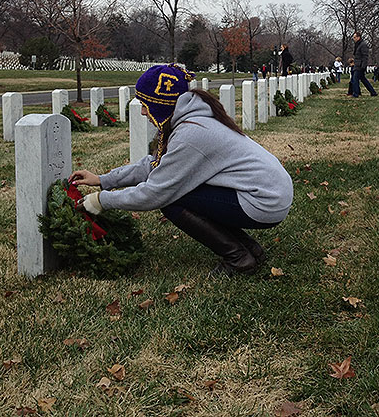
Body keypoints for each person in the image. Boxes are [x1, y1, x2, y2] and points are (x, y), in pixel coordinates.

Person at [69, 64, 294, 275]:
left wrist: (101, 201)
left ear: (159, 104)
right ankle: (249, 249)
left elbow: (155, 193)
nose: (143, 113)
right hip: (267, 192)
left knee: (172, 199)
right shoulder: (191, 121)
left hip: (264, 201)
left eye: (145, 105)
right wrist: (103, 179)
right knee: (181, 192)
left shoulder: (190, 134)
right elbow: (155, 164)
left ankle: (238, 258)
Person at [350, 32, 378, 98]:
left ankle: (356, 94)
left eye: (354, 37)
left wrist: (363, 66)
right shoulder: (358, 45)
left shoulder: (363, 45)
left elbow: (365, 56)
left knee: (355, 79)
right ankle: (373, 92)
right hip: (357, 64)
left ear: (358, 37)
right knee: (363, 79)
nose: (354, 39)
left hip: (360, 65)